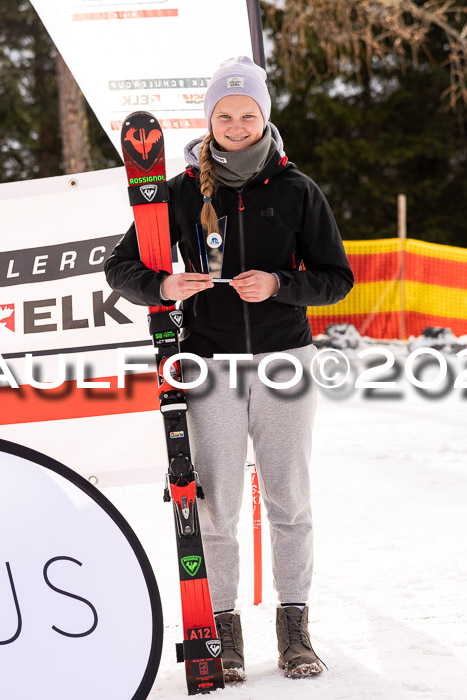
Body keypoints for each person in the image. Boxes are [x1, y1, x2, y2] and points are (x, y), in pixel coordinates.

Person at [105, 56, 354, 682]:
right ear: (209, 121)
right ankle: (220, 634)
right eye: (225, 115)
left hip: (284, 364)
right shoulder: (182, 191)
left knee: (288, 499)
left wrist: (280, 285)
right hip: (210, 366)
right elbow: (120, 267)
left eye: (247, 114)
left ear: (264, 118)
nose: (237, 124)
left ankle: (294, 632)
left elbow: (336, 280)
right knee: (214, 508)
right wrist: (164, 284)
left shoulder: (297, 190)